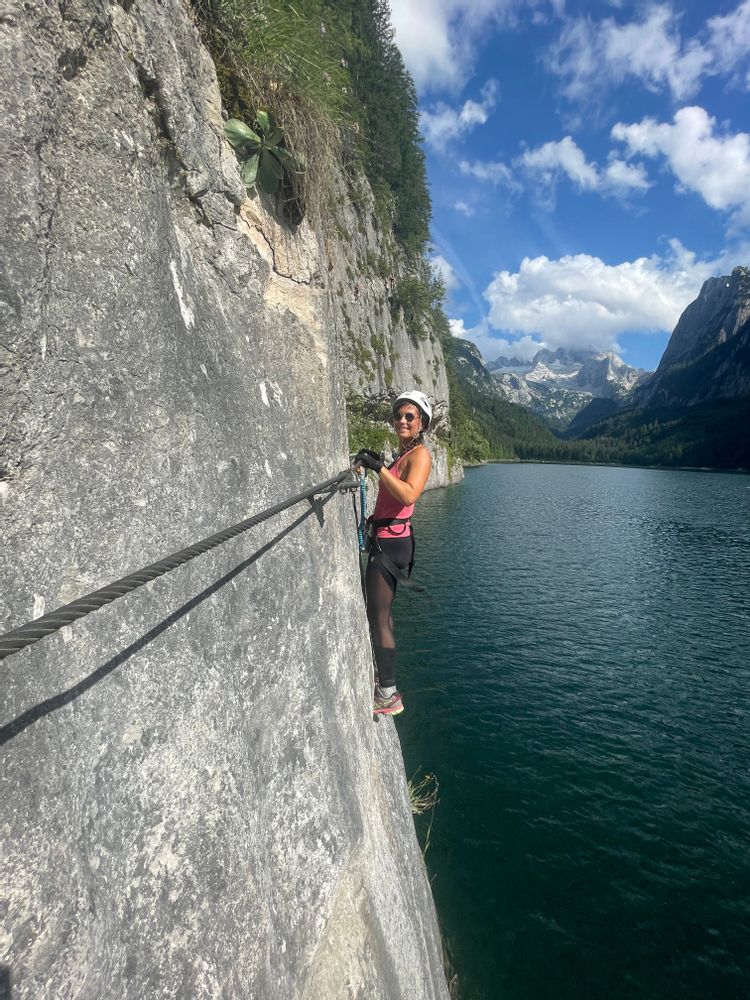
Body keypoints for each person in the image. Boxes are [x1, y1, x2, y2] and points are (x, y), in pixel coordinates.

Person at [353, 391, 433, 716]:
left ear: (421, 423)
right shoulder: (406, 455)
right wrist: (371, 464)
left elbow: (409, 495)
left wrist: (379, 468)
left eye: (409, 416)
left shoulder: (421, 456)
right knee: (383, 614)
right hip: (390, 537)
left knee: (379, 616)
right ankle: (384, 680)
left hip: (392, 542)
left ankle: (387, 692)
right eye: (398, 415)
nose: (402, 420)